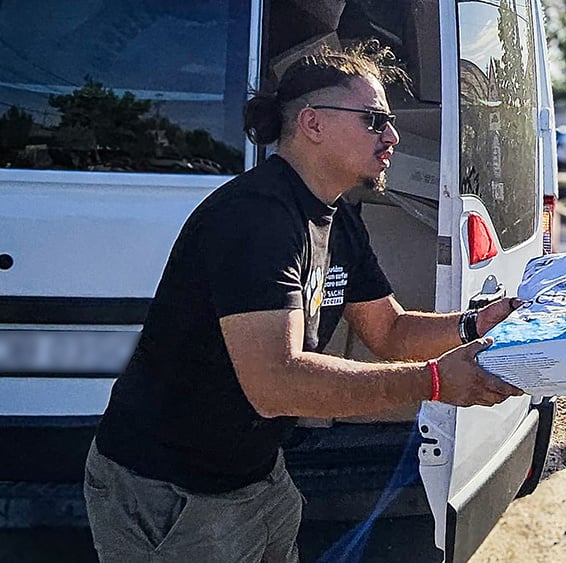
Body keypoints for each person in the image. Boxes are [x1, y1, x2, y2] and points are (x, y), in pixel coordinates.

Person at [84, 43, 524, 562]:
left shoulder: (339, 219)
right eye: (374, 119)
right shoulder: (257, 219)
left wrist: (479, 322)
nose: (393, 135)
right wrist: (433, 382)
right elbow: (276, 384)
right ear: (312, 123)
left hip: (256, 477)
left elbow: (391, 332)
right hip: (171, 491)